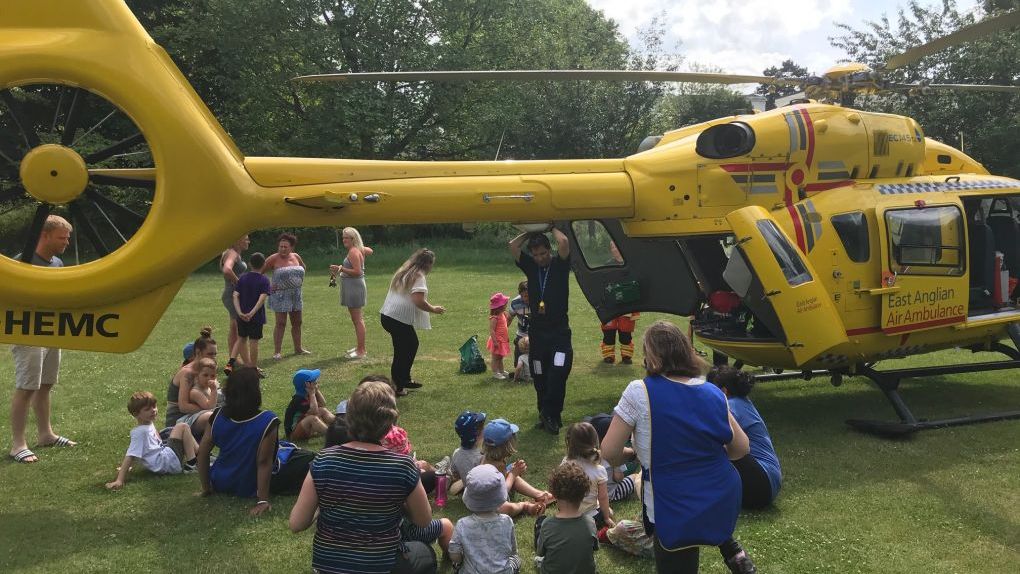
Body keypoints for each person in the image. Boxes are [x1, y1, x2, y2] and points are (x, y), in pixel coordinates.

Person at [600, 320, 757, 574]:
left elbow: (608, 451)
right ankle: (734, 554)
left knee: (677, 558)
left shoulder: (639, 391)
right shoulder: (712, 391)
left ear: (651, 356)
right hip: (718, 496)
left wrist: (633, 454)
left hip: (669, 502)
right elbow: (741, 448)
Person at [289, 380, 437, 574]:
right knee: (426, 554)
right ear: (390, 422)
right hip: (380, 565)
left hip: (329, 567)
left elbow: (297, 523)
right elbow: (424, 520)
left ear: (349, 418)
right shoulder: (402, 466)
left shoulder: (323, 460)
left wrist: (322, 503)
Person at [197, 367, 315, 516]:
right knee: (311, 460)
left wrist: (206, 488)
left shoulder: (217, 415)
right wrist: (262, 500)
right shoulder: (267, 420)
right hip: (250, 483)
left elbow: (202, 452)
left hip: (221, 480)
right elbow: (264, 462)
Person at [9, 215, 75, 464]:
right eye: (62, 237)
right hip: (27, 333)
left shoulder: (57, 262)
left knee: (46, 384)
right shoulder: (22, 262)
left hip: (52, 331)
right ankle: (18, 445)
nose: (66, 242)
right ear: (44, 235)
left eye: (68, 238)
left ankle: (46, 434)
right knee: (27, 387)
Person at [509, 229, 573, 435]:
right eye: (535, 255)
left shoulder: (560, 265)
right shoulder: (531, 267)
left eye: (543, 253)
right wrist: (529, 231)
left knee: (558, 371)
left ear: (549, 250)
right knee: (539, 373)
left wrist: (550, 224)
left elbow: (563, 241)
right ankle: (545, 415)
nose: (539, 258)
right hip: (538, 333)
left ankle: (552, 413)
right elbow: (513, 246)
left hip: (559, 332)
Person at [708, 365, 782, 509]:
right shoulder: (743, 402)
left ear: (723, 391)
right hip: (769, 482)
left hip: (761, 483)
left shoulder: (731, 406)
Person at [380, 248, 445, 395]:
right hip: (397, 319)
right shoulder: (419, 276)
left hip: (388, 316)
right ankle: (401, 382)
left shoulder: (404, 271)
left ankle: (399, 383)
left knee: (402, 349)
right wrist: (434, 309)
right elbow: (418, 301)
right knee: (409, 345)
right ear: (428, 264)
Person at [105, 391, 197, 489]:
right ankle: (192, 465)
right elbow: (131, 455)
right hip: (167, 463)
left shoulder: (147, 423)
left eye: (154, 406)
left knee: (170, 431)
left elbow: (145, 451)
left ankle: (201, 455)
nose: (153, 410)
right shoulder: (140, 433)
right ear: (136, 414)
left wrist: (130, 468)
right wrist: (119, 480)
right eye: (147, 409)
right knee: (182, 427)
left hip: (165, 458)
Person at [448, 464, 522, 574]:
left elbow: (454, 553)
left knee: (457, 565)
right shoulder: (506, 521)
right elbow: (512, 550)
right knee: (516, 559)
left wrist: (459, 561)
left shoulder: (462, 524)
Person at [534, 461, 599, 574]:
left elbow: (540, 552)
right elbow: (594, 547)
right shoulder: (590, 522)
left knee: (539, 560)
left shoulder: (547, 524)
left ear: (554, 494)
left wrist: (540, 519)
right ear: (583, 494)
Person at [480, 418, 550, 517]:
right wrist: (513, 474)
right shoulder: (496, 466)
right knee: (506, 508)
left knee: (511, 475)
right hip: (491, 504)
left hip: (490, 498)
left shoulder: (487, 458)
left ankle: (539, 494)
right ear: (507, 445)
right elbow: (502, 491)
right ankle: (525, 506)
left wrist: (512, 471)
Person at [330, 226, 374, 359]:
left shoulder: (353, 252)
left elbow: (358, 272)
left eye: (346, 238)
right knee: (356, 319)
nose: (344, 240)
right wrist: (361, 248)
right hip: (352, 286)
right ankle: (359, 347)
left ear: (353, 239)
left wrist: (341, 269)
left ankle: (361, 350)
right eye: (343, 237)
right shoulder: (356, 250)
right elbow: (370, 251)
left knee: (358, 320)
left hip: (354, 287)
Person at [264, 232, 310, 359]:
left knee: (297, 322)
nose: (282, 249)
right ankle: (277, 352)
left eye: (285, 247)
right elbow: (258, 273)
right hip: (279, 296)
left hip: (295, 294)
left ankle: (298, 348)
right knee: (281, 323)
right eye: (280, 246)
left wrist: (297, 282)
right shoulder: (273, 258)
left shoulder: (296, 256)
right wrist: (268, 286)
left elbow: (303, 268)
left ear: (291, 247)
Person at [562, 422, 614, 529]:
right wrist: (606, 518)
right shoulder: (599, 470)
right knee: (608, 511)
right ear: (595, 441)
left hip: (567, 515)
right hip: (591, 518)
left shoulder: (565, 463)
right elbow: (603, 497)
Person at [165, 328, 218, 431]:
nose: (214, 358)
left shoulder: (207, 369)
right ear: (198, 352)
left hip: (198, 413)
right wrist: (211, 408)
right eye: (210, 354)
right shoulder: (187, 373)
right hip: (178, 419)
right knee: (211, 417)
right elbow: (184, 407)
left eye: (215, 354)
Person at [228, 251, 270, 375]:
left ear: (250, 264)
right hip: (256, 317)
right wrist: (252, 313)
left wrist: (240, 312)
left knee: (241, 339)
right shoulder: (264, 280)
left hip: (242, 316)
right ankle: (253, 368)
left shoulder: (242, 278)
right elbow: (261, 299)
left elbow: (235, 296)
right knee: (254, 341)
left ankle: (232, 362)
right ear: (264, 264)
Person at [599, 241, 639, 365]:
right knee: (609, 333)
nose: (615, 249)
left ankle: (626, 356)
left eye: (616, 246)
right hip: (611, 305)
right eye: (612, 247)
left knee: (625, 333)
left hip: (627, 305)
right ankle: (609, 356)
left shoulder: (632, 264)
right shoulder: (607, 265)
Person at [220, 234, 250, 368]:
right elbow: (227, 269)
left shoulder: (232, 252)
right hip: (233, 295)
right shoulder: (232, 253)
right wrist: (240, 284)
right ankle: (247, 363)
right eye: (246, 238)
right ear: (237, 239)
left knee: (234, 328)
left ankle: (234, 360)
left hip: (230, 294)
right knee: (241, 330)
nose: (248, 241)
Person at [284, 369, 335, 441]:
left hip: (304, 427)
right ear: (306, 385)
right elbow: (314, 411)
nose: (316, 381)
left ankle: (342, 426)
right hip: (293, 434)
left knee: (322, 410)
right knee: (312, 419)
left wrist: (317, 391)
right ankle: (333, 435)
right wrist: (312, 394)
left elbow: (323, 404)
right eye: (314, 381)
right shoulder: (298, 399)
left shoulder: (307, 394)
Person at [449, 410, 487, 496]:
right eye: (483, 427)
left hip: (469, 493)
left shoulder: (456, 454)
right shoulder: (482, 457)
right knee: (512, 471)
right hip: (485, 493)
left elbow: (455, 474)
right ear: (478, 433)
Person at [486, 292, 511, 380]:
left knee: (500, 357)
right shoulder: (494, 317)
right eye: (505, 304)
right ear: (500, 306)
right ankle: (495, 372)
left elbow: (505, 327)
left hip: (502, 340)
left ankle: (501, 370)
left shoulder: (502, 314)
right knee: (495, 357)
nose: (506, 305)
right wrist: (495, 341)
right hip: (497, 340)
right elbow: (492, 330)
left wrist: (506, 338)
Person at [506, 281, 530, 368]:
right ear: (520, 294)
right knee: (518, 365)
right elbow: (509, 319)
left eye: (530, 295)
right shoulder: (515, 302)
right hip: (522, 336)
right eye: (525, 296)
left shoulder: (540, 301)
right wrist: (501, 334)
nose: (527, 299)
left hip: (537, 335)